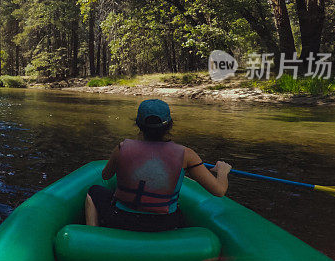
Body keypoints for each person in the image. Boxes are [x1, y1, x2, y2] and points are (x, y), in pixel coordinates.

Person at [84, 99, 232, 232]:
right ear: (169, 125)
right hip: (165, 223)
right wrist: (223, 171)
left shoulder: (122, 148)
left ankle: (94, 235)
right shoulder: (187, 155)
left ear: (139, 125)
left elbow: (106, 175)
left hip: (121, 219)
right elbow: (219, 191)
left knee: (94, 191)